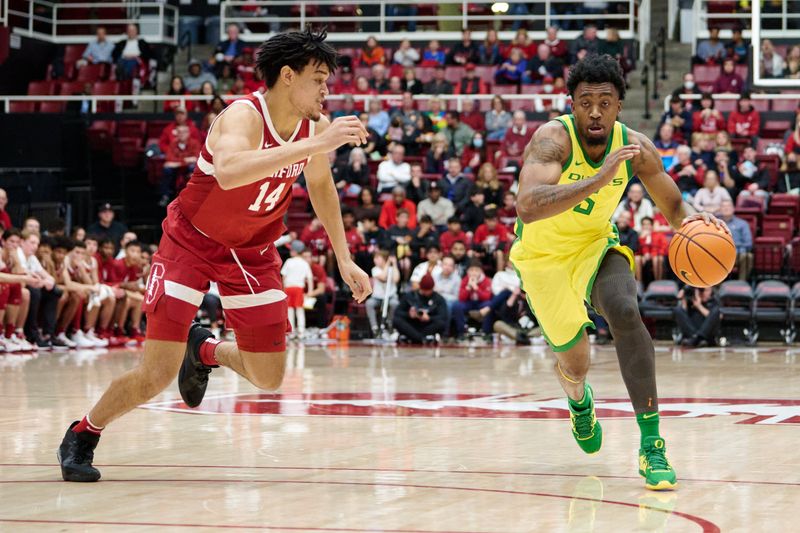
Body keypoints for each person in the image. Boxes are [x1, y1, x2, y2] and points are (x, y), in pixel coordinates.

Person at [58, 29, 372, 483]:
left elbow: (320, 185)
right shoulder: (243, 115)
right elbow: (228, 172)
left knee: (269, 377)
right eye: (319, 79)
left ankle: (205, 349)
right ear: (287, 76)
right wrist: (313, 147)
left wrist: (344, 258)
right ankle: (84, 433)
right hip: (191, 242)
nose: (327, 90)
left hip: (252, 251)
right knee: (156, 374)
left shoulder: (315, 128)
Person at [510, 54, 727, 490]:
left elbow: (675, 208)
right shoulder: (553, 139)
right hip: (543, 259)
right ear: (571, 104)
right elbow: (527, 206)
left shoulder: (636, 148)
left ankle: (652, 446)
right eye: (585, 101)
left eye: (604, 102)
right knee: (575, 364)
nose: (594, 111)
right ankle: (578, 401)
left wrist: (700, 222)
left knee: (627, 311)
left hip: (595, 247)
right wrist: (600, 177)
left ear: (618, 106)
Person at [393, 274, 447, 344]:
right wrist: (409, 315)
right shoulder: (410, 296)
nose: (426, 292)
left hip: (427, 326)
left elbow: (443, 316)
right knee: (396, 320)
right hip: (411, 325)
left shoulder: (438, 298)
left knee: (441, 323)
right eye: (424, 290)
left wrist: (429, 318)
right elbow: (397, 312)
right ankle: (420, 338)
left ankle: (416, 337)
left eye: (428, 290)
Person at [159, 125, 201, 207]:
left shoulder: (194, 143)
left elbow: (196, 158)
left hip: (187, 168)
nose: (181, 134)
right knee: (166, 169)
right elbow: (169, 159)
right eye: (179, 132)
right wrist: (185, 160)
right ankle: (165, 196)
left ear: (188, 133)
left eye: (184, 132)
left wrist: (178, 162)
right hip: (176, 169)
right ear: (176, 134)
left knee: (192, 167)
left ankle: (193, 196)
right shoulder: (173, 143)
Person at [281, 240, 314, 339]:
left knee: (289, 310)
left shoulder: (288, 261)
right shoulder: (305, 263)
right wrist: (310, 291)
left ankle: (290, 332)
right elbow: (310, 278)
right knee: (300, 310)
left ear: (294, 251)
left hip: (288, 288)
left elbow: (283, 276)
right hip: (299, 288)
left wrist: (283, 289)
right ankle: (301, 331)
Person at [366, 251, 399, 336]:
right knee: (369, 303)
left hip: (390, 296)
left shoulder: (392, 269)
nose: (375, 260)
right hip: (377, 297)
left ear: (384, 259)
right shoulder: (375, 269)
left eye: (377, 258)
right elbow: (383, 277)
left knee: (395, 303)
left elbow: (396, 279)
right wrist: (388, 264)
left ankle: (390, 324)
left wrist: (394, 264)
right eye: (374, 258)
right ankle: (375, 328)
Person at [718, 200, 753, 281]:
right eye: (723, 206)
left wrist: (731, 245)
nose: (726, 208)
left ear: (733, 209)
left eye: (728, 206)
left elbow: (749, 243)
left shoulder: (742, 224)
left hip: (738, 254)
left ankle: (741, 283)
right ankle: (715, 287)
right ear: (720, 209)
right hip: (719, 254)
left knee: (748, 256)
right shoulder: (716, 224)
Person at [635, 217, 668, 282]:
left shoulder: (658, 234)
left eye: (648, 224)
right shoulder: (640, 236)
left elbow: (664, 246)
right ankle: (639, 283)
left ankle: (658, 281)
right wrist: (642, 238)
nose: (646, 226)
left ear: (652, 226)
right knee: (637, 258)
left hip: (656, 256)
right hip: (644, 257)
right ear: (642, 226)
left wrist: (652, 254)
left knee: (656, 259)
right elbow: (637, 250)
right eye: (644, 224)